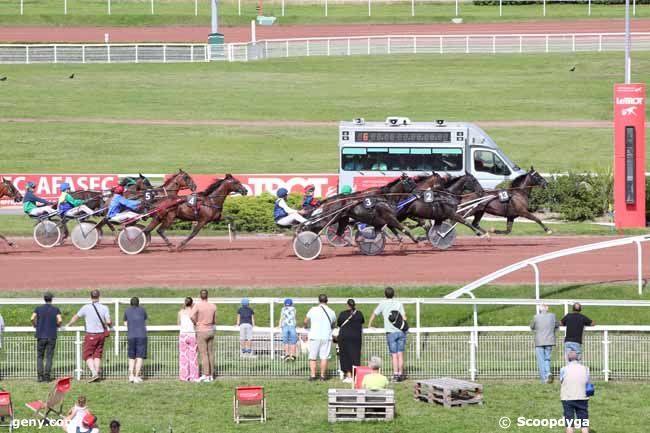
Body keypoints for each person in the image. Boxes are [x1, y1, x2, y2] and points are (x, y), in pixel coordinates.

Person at [64, 290, 112, 382]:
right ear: (99, 296)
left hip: (91, 334)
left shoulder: (86, 307)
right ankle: (96, 373)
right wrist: (110, 326)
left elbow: (76, 317)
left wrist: (69, 325)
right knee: (97, 354)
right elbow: (108, 321)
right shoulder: (105, 308)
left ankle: (94, 373)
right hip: (101, 335)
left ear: (91, 297)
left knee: (87, 355)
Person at [368, 287, 407, 382]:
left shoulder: (383, 303)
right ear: (394, 294)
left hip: (390, 332)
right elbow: (404, 317)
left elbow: (374, 313)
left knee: (394, 355)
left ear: (385, 295)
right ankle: (401, 374)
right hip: (401, 331)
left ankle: (395, 374)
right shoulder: (399, 303)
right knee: (400, 354)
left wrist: (370, 324)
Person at [31, 291, 63, 382]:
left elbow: (32, 318)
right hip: (52, 336)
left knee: (40, 356)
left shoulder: (38, 308)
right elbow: (60, 320)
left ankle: (40, 376)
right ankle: (47, 376)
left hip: (41, 335)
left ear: (44, 299)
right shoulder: (55, 309)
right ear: (51, 299)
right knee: (49, 357)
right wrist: (57, 325)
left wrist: (35, 325)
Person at [304, 294, 336, 381]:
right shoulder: (332, 312)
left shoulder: (313, 309)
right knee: (324, 357)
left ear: (319, 300)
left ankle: (313, 376)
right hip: (326, 337)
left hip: (314, 336)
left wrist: (306, 327)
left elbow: (305, 321)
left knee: (312, 357)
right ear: (327, 301)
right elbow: (333, 324)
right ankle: (322, 376)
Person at [560, 351, 590, 433]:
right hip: (582, 397)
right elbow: (587, 381)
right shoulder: (586, 368)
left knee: (569, 422)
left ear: (568, 359)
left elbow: (561, 381)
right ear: (578, 358)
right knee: (584, 422)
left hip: (568, 397)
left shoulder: (564, 369)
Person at [336, 299, 365, 384]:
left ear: (347, 305)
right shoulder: (359, 314)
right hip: (356, 338)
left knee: (345, 356)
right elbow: (362, 321)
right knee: (355, 356)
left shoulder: (343, 314)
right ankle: (355, 376)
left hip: (344, 338)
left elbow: (339, 323)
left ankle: (349, 376)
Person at [530, 304, 559, 384]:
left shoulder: (536, 317)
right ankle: (548, 373)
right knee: (547, 358)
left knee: (541, 360)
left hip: (539, 341)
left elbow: (532, 326)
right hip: (550, 340)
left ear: (540, 310)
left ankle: (544, 379)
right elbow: (557, 326)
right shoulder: (553, 316)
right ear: (547, 309)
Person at [192, 289, 216, 382]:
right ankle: (211, 375)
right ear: (207, 296)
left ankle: (206, 375)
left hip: (201, 331)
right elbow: (214, 319)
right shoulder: (213, 306)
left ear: (200, 296)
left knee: (204, 354)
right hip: (211, 330)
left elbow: (191, 316)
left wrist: (196, 322)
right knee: (210, 353)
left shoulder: (197, 305)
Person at [123, 297, 148, 384]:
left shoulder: (127, 311)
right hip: (141, 335)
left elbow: (125, 323)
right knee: (140, 357)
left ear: (130, 303)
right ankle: (136, 376)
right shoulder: (142, 310)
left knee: (131, 357)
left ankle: (131, 376)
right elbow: (144, 320)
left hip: (131, 335)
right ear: (138, 303)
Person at [178, 297, 199, 382]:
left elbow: (178, 323)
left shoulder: (180, 312)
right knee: (193, 356)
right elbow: (195, 322)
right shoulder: (193, 312)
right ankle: (194, 376)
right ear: (192, 303)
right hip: (191, 334)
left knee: (183, 356)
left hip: (183, 335)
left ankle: (184, 376)